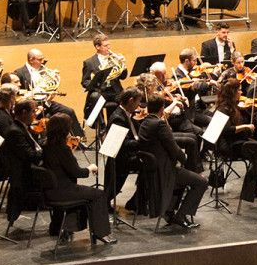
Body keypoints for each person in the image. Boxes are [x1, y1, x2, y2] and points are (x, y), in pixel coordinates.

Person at [41, 113, 116, 245]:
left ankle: (66, 228)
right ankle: (101, 233)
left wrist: (70, 149)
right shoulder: (62, 149)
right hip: (63, 192)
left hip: (50, 191)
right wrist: (91, 168)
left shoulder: (46, 146)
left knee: (86, 193)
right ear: (64, 130)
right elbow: (77, 172)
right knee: (98, 194)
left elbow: (63, 166)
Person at [138, 95, 206, 228]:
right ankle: (181, 216)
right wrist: (185, 159)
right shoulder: (160, 124)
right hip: (166, 171)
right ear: (162, 108)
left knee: (186, 178)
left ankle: (170, 211)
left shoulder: (144, 122)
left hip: (153, 170)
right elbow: (174, 149)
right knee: (202, 182)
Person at [13, 48, 81, 136]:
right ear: (31, 60)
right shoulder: (19, 73)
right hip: (31, 105)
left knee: (69, 111)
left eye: (43, 59)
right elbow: (18, 94)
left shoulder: (43, 70)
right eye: (40, 59)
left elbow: (51, 86)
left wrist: (54, 77)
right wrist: (32, 93)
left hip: (46, 100)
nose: (42, 62)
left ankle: (79, 139)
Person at [1, 99, 44, 228]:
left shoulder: (21, 127)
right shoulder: (15, 131)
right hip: (27, 175)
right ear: (24, 112)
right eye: (33, 111)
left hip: (29, 168)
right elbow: (30, 156)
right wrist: (47, 148)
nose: (35, 114)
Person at [80, 33, 126, 120]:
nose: (109, 48)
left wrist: (123, 64)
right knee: (94, 96)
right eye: (106, 46)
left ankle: (120, 123)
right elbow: (85, 81)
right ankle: (102, 126)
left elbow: (123, 77)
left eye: (109, 45)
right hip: (100, 92)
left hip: (114, 91)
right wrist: (95, 82)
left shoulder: (114, 59)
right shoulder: (89, 62)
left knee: (127, 95)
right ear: (98, 47)